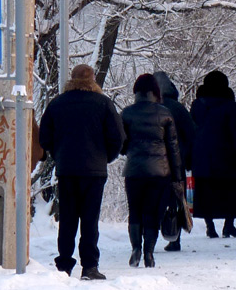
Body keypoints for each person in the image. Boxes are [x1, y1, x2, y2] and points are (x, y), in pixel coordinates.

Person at [39, 64, 125, 280]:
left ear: (71, 79)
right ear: (93, 79)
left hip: (67, 169)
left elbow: (44, 138)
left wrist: (58, 154)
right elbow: (118, 137)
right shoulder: (103, 104)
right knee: (90, 219)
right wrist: (105, 157)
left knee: (67, 218)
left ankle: (64, 265)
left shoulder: (57, 104)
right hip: (95, 171)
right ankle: (90, 267)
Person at [121, 73, 184, 268]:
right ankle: (149, 252)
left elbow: (122, 146)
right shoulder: (165, 114)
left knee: (135, 211)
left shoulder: (127, 113)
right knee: (152, 213)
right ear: (155, 92)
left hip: (134, 172)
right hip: (160, 173)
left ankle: (135, 249)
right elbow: (173, 148)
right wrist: (178, 177)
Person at [191, 70, 236, 238]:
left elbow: (191, 131)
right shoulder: (229, 105)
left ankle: (210, 227)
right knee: (229, 191)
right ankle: (229, 226)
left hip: (201, 158)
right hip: (225, 158)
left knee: (204, 193)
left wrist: (190, 156)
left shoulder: (197, 105)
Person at [154, 71, 197, 252]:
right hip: (175, 160)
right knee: (174, 199)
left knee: (154, 198)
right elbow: (192, 132)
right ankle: (174, 237)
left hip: (152, 162)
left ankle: (148, 238)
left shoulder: (146, 107)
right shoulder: (177, 108)